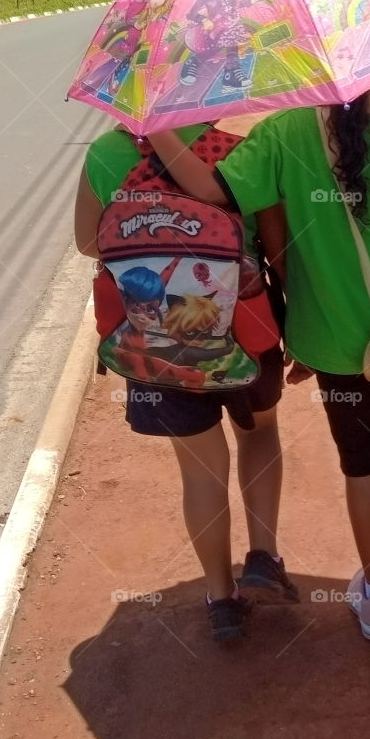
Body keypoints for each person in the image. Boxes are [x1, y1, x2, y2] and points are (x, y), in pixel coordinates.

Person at [147, 83, 370, 643]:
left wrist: (154, 124)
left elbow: (211, 190)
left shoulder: (285, 133)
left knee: (361, 464)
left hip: (331, 338)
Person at [73, 119, 298, 643]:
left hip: (153, 345)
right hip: (243, 331)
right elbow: (279, 250)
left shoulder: (107, 152)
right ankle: (263, 556)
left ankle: (221, 599)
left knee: (199, 471)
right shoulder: (240, 151)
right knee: (260, 433)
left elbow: (89, 243)